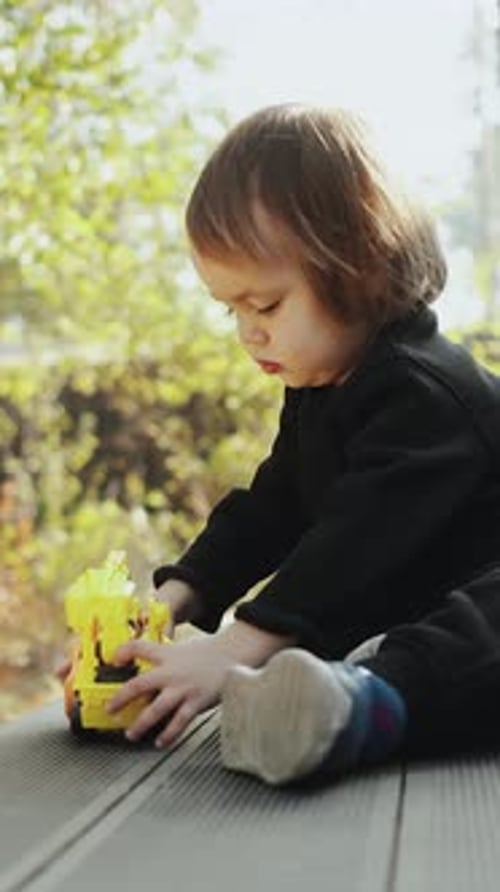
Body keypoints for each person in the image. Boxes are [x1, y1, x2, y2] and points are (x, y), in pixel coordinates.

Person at [104, 103, 500, 786]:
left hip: (468, 634)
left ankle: (360, 707)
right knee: (422, 637)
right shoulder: (323, 392)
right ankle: (325, 697)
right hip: (406, 625)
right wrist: (175, 599)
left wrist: (241, 645)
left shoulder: (426, 390)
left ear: (361, 266)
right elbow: (272, 507)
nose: (247, 334)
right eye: (229, 309)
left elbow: (359, 539)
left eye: (265, 306)